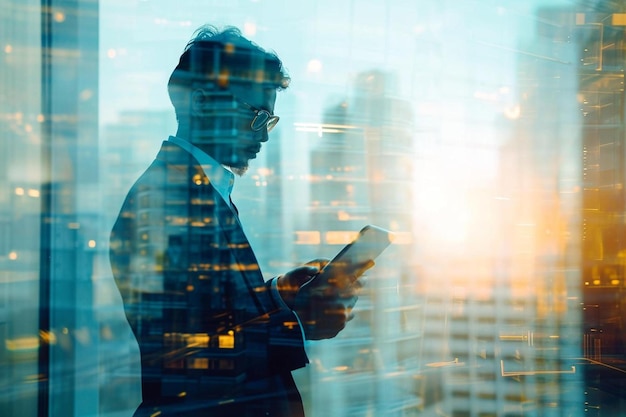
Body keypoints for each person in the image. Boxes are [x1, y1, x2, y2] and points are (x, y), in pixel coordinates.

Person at [109, 25, 370, 417]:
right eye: (256, 115)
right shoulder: (163, 201)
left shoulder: (200, 189)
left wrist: (280, 294)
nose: (263, 135)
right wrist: (297, 325)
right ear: (200, 102)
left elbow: (210, 314)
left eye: (270, 119)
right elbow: (180, 358)